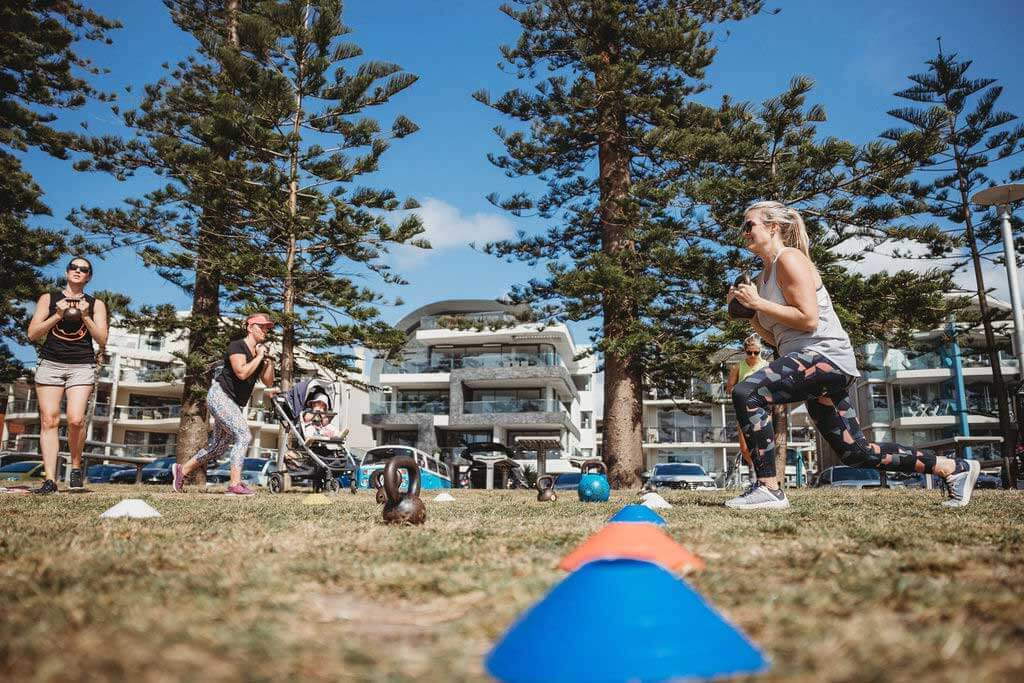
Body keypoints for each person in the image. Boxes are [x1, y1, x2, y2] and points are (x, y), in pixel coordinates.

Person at [725, 200, 980, 510]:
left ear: (773, 227)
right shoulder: (763, 277)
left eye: (748, 224)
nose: (743, 231)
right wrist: (750, 314)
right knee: (857, 452)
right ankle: (953, 469)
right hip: (810, 363)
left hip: (825, 358)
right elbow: (780, 338)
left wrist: (760, 304)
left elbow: (808, 320)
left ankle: (768, 487)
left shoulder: (789, 259)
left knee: (748, 391)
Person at [26, 256, 109, 494]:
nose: (77, 271)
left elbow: (102, 340)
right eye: (74, 267)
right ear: (67, 272)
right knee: (49, 420)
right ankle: (50, 480)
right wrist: (57, 315)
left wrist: (85, 316)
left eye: (83, 269)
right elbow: (33, 334)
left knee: (75, 420)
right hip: (50, 364)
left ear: (88, 277)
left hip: (81, 365)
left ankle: (75, 465)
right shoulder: (49, 299)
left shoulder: (96, 304)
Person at [171, 313, 276, 496]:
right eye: (261, 327)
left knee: (218, 446)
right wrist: (259, 357)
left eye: (267, 328)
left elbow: (268, 382)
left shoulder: (259, 355)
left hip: (233, 403)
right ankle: (234, 484)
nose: (265, 331)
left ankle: (183, 471)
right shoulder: (238, 346)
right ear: (249, 327)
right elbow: (241, 373)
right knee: (243, 435)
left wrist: (269, 361)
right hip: (220, 396)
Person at [725, 334, 767, 477]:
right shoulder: (738, 367)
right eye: (750, 352)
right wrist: (743, 389)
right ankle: (754, 471)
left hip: (762, 410)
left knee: (762, 445)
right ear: (745, 351)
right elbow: (729, 388)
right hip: (743, 410)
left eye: (756, 352)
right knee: (745, 447)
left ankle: (762, 476)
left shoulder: (766, 366)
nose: (753, 355)